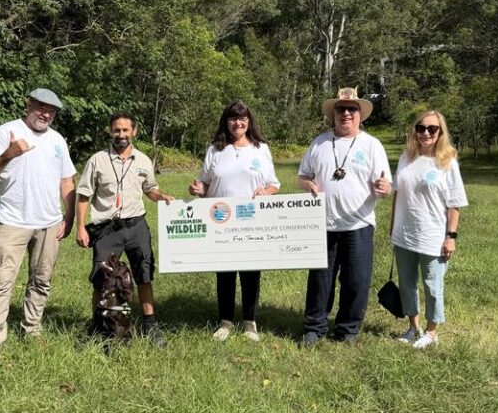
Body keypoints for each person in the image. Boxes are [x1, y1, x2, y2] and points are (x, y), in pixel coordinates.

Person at [0, 88, 77, 363]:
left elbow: (67, 181)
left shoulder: (57, 141)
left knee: (41, 281)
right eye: (41, 107)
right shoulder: (5, 132)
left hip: (49, 223)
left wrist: (69, 217)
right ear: (29, 104)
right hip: (12, 222)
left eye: (51, 111)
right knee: (1, 282)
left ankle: (32, 330)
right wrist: (8, 154)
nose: (45, 114)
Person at [298, 87, 392, 345]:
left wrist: (384, 189)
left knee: (356, 280)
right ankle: (314, 328)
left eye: (352, 109)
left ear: (360, 114)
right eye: (341, 109)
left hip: (359, 224)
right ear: (334, 114)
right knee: (320, 279)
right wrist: (308, 185)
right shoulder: (319, 143)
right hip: (323, 224)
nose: (346, 114)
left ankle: (347, 329)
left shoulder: (372, 145)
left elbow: (385, 186)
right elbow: (303, 176)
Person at [75, 112, 174, 346]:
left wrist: (161, 197)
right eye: (117, 130)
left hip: (136, 226)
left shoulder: (143, 161)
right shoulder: (97, 160)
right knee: (102, 280)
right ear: (111, 131)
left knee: (144, 275)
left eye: (125, 130)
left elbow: (150, 189)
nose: (121, 135)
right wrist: (80, 227)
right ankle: (98, 326)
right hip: (107, 230)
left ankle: (150, 326)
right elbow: (83, 195)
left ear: (134, 132)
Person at [188, 100, 281, 342]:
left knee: (251, 273)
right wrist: (198, 188)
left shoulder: (261, 149)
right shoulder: (215, 150)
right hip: (222, 221)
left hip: (253, 221)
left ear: (249, 122)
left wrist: (266, 192)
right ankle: (225, 321)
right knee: (225, 273)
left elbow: (274, 183)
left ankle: (250, 322)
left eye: (242, 118)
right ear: (226, 122)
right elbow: (205, 182)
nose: (237, 123)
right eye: (232, 118)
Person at [390, 110, 468, 349]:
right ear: (415, 130)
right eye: (421, 128)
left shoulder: (447, 162)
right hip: (404, 234)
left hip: (432, 236)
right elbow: (397, 193)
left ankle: (432, 332)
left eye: (432, 129)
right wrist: (392, 226)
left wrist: (450, 237)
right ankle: (414, 328)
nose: (426, 133)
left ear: (440, 132)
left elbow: (455, 203)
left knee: (433, 286)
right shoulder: (406, 157)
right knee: (407, 283)